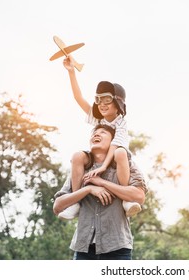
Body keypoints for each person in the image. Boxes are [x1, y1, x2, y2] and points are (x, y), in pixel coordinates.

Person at [58, 56, 141, 220]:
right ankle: (75, 202)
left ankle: (126, 200)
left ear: (117, 104)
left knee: (120, 153)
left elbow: (116, 145)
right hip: (98, 156)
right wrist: (71, 72)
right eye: (98, 100)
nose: (102, 104)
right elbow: (78, 98)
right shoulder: (98, 120)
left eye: (107, 100)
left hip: (116, 158)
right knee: (77, 156)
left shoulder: (121, 123)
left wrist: (102, 167)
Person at [53, 124, 147, 260]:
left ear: (113, 141)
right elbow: (58, 206)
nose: (96, 135)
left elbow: (139, 197)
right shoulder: (80, 170)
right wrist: (89, 189)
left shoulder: (125, 164)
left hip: (117, 248)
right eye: (94, 133)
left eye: (103, 132)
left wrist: (102, 182)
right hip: (83, 249)